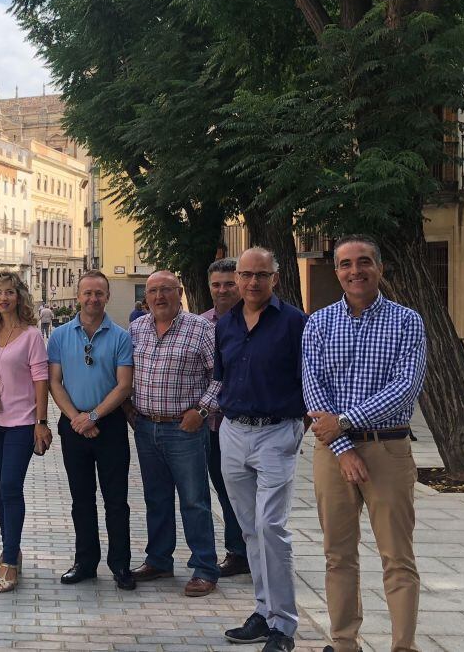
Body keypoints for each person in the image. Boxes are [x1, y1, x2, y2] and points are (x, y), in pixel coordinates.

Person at [303, 236, 426, 652]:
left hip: (388, 449)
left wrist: (347, 423)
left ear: (380, 267)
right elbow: (314, 390)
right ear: (336, 270)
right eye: (345, 264)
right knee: (338, 555)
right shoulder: (318, 323)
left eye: (364, 262)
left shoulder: (407, 321)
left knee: (397, 557)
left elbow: (405, 389)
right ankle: (343, 643)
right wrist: (342, 447)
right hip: (332, 455)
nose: (355, 270)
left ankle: (403, 646)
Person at [206, 248, 308, 652]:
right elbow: (221, 377)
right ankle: (264, 612)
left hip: (276, 432)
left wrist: (303, 422)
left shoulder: (295, 323)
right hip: (233, 431)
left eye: (260, 275)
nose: (251, 283)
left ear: (275, 278)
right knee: (250, 529)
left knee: (271, 527)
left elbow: (309, 376)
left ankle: (283, 625)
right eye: (244, 275)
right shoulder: (226, 324)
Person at [127, 270, 220, 597]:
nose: (159, 297)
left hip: (185, 428)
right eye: (153, 291)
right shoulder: (137, 327)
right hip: (146, 426)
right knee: (156, 497)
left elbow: (221, 376)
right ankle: (159, 560)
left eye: (166, 290)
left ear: (179, 292)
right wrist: (129, 409)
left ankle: (205, 568)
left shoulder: (200, 329)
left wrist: (203, 411)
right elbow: (125, 372)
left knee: (194, 500)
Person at [47, 270, 136, 590]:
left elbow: (124, 385)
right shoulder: (58, 335)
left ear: (107, 297)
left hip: (109, 425)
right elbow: (54, 382)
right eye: (87, 293)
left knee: (117, 500)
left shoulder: (121, 336)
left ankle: (121, 565)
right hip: (73, 426)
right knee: (80, 499)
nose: (93, 299)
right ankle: (85, 562)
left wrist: (94, 416)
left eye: (99, 293)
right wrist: (76, 418)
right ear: (78, 294)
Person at [0, 271, 50, 593]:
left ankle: (10, 563)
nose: (3, 298)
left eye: (9, 292)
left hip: (22, 421)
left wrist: (42, 422)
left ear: (19, 296)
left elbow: (41, 380)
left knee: (10, 487)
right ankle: (11, 550)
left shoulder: (32, 335)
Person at [200, 258, 249, 578]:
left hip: (255, 422)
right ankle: (238, 551)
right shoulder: (203, 324)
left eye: (229, 284)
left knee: (261, 492)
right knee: (224, 488)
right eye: (216, 284)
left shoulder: (257, 319)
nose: (222, 290)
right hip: (214, 426)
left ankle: (262, 550)